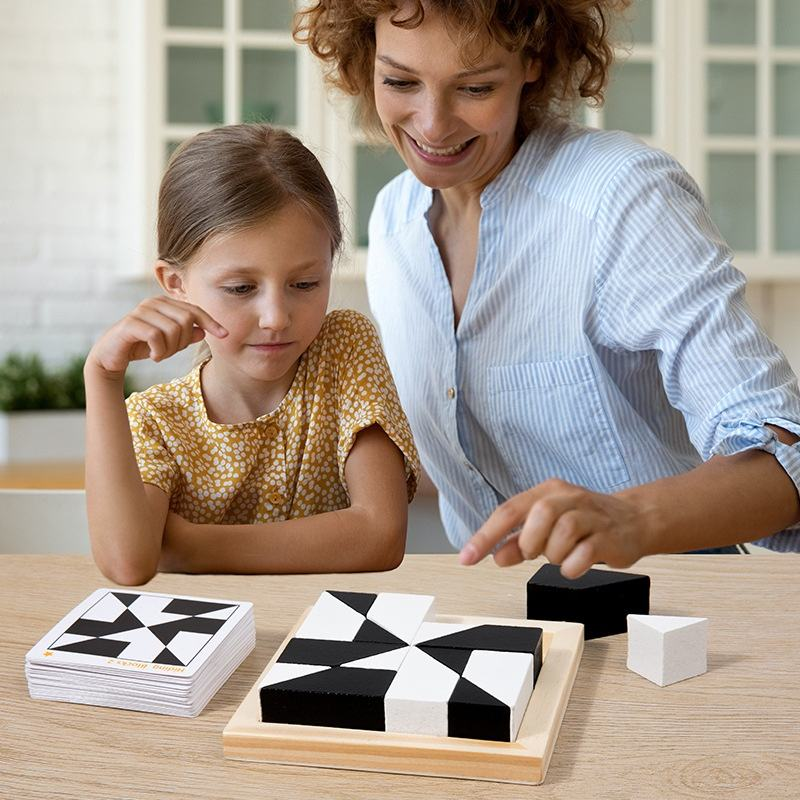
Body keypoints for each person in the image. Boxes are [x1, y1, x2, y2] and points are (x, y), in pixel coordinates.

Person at [295, 0, 800, 578]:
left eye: (475, 88)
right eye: (400, 81)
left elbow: (787, 458)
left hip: (670, 608)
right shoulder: (390, 224)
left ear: (533, 60)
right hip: (500, 617)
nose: (432, 124)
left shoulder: (620, 197)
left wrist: (627, 517)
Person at [84, 124, 418, 586]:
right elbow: (128, 563)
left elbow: (380, 535)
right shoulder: (155, 420)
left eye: (305, 284)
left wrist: (188, 545)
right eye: (241, 288)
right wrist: (101, 375)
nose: (276, 317)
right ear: (175, 285)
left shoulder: (344, 348)